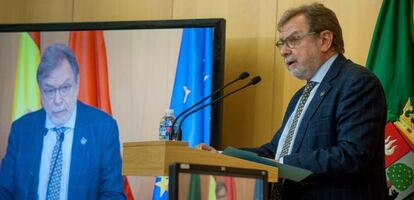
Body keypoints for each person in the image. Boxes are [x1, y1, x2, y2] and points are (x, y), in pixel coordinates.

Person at [199, 3, 387, 200]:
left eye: (293, 40)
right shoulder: (302, 94)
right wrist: (223, 156)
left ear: (324, 40)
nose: (283, 51)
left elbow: (352, 154)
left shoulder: (357, 82)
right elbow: (276, 150)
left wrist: (283, 164)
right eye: (281, 43)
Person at [0, 44, 126, 199]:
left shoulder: (103, 129)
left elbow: (113, 195)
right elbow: (4, 190)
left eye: (65, 88)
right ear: (40, 89)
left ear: (77, 82)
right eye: (50, 91)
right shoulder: (22, 130)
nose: (58, 100)